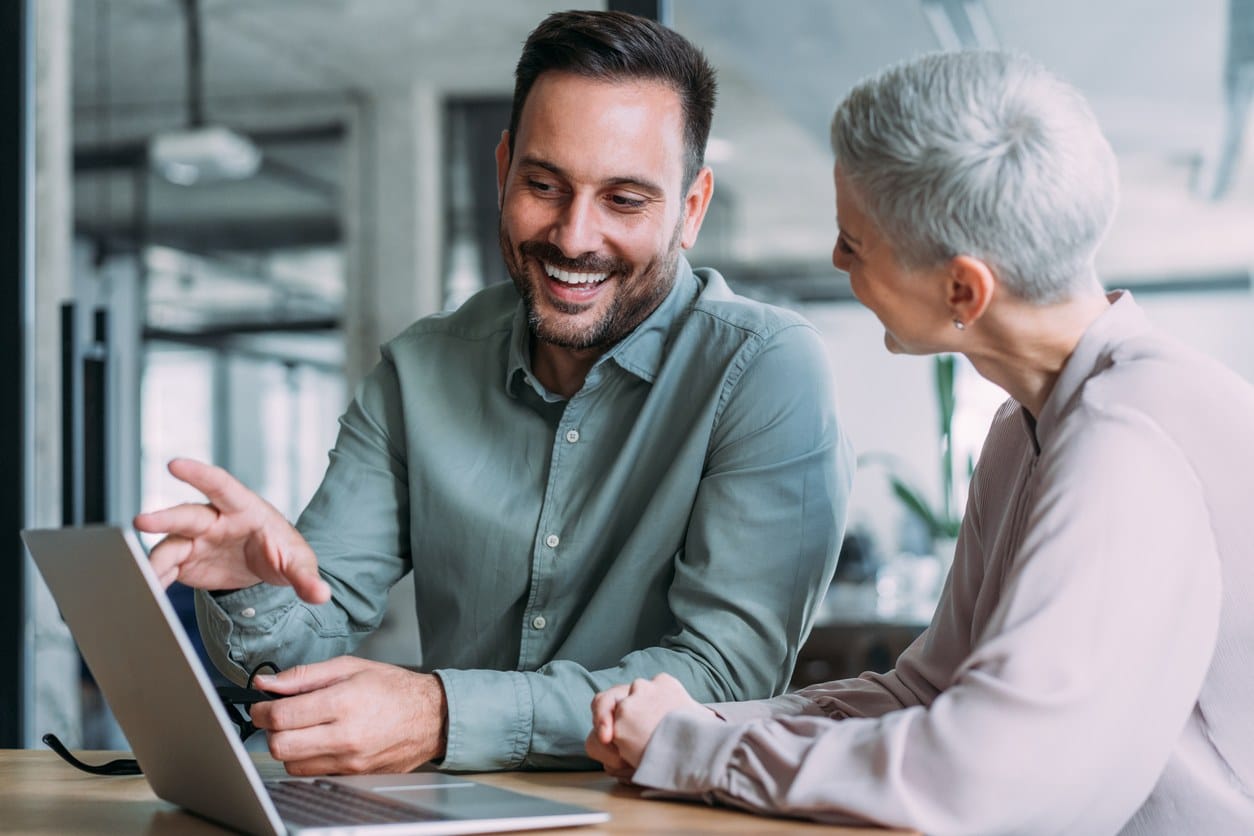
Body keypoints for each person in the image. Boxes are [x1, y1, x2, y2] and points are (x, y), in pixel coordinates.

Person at [134, 10, 854, 775]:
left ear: (691, 209)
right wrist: (253, 583)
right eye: (544, 185)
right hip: (444, 817)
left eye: (625, 200)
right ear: (503, 167)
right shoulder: (421, 369)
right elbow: (305, 638)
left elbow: (722, 680)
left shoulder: (765, 371)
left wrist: (443, 717)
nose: (574, 237)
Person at [586, 50, 1254, 834]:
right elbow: (929, 694)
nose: (836, 261)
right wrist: (706, 722)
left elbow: (977, 782)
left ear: (964, 290)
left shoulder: (1126, 441)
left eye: (853, 242)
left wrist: (691, 747)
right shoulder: (1029, 423)